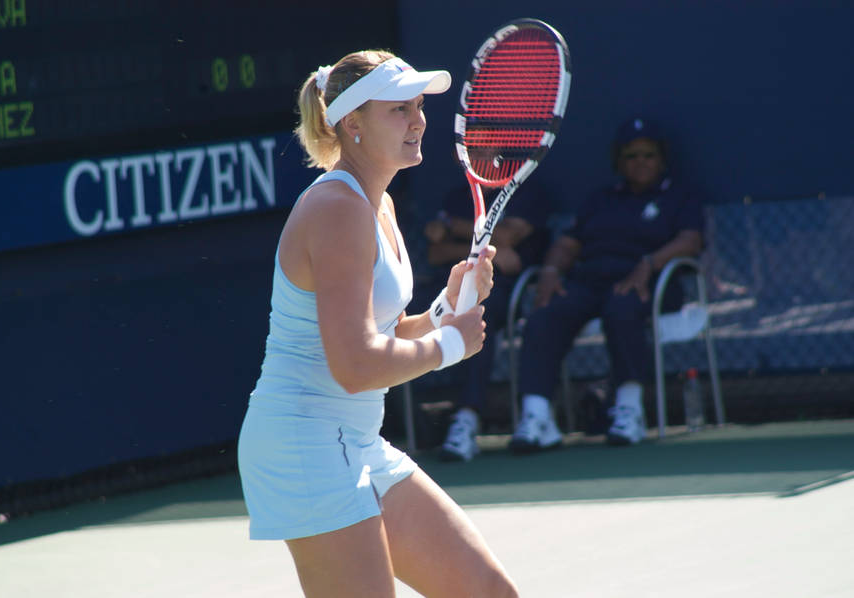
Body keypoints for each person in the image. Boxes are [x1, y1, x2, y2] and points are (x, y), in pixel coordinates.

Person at [236, 50, 519, 598]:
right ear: (353, 124)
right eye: (399, 109)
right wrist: (450, 345)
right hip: (305, 442)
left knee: (488, 592)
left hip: (355, 440)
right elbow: (357, 364)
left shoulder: (377, 205)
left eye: (418, 106)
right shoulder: (337, 211)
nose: (419, 120)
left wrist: (443, 310)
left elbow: (379, 334)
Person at [510, 117, 705, 450]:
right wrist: (551, 271)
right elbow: (568, 244)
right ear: (619, 160)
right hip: (591, 280)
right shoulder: (600, 199)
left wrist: (649, 263)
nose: (640, 162)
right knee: (545, 312)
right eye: (631, 156)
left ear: (661, 158)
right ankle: (537, 415)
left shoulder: (679, 197)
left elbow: (691, 241)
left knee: (622, 309)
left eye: (648, 155)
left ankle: (629, 409)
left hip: (649, 283)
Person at [414, 178, 549, 461]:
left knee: (474, 321)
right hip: (447, 289)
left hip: (503, 291)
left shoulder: (528, 191)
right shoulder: (454, 196)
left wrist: (453, 227)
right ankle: (409, 421)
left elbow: (510, 239)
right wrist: (484, 251)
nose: (480, 150)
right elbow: (435, 252)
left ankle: (466, 418)